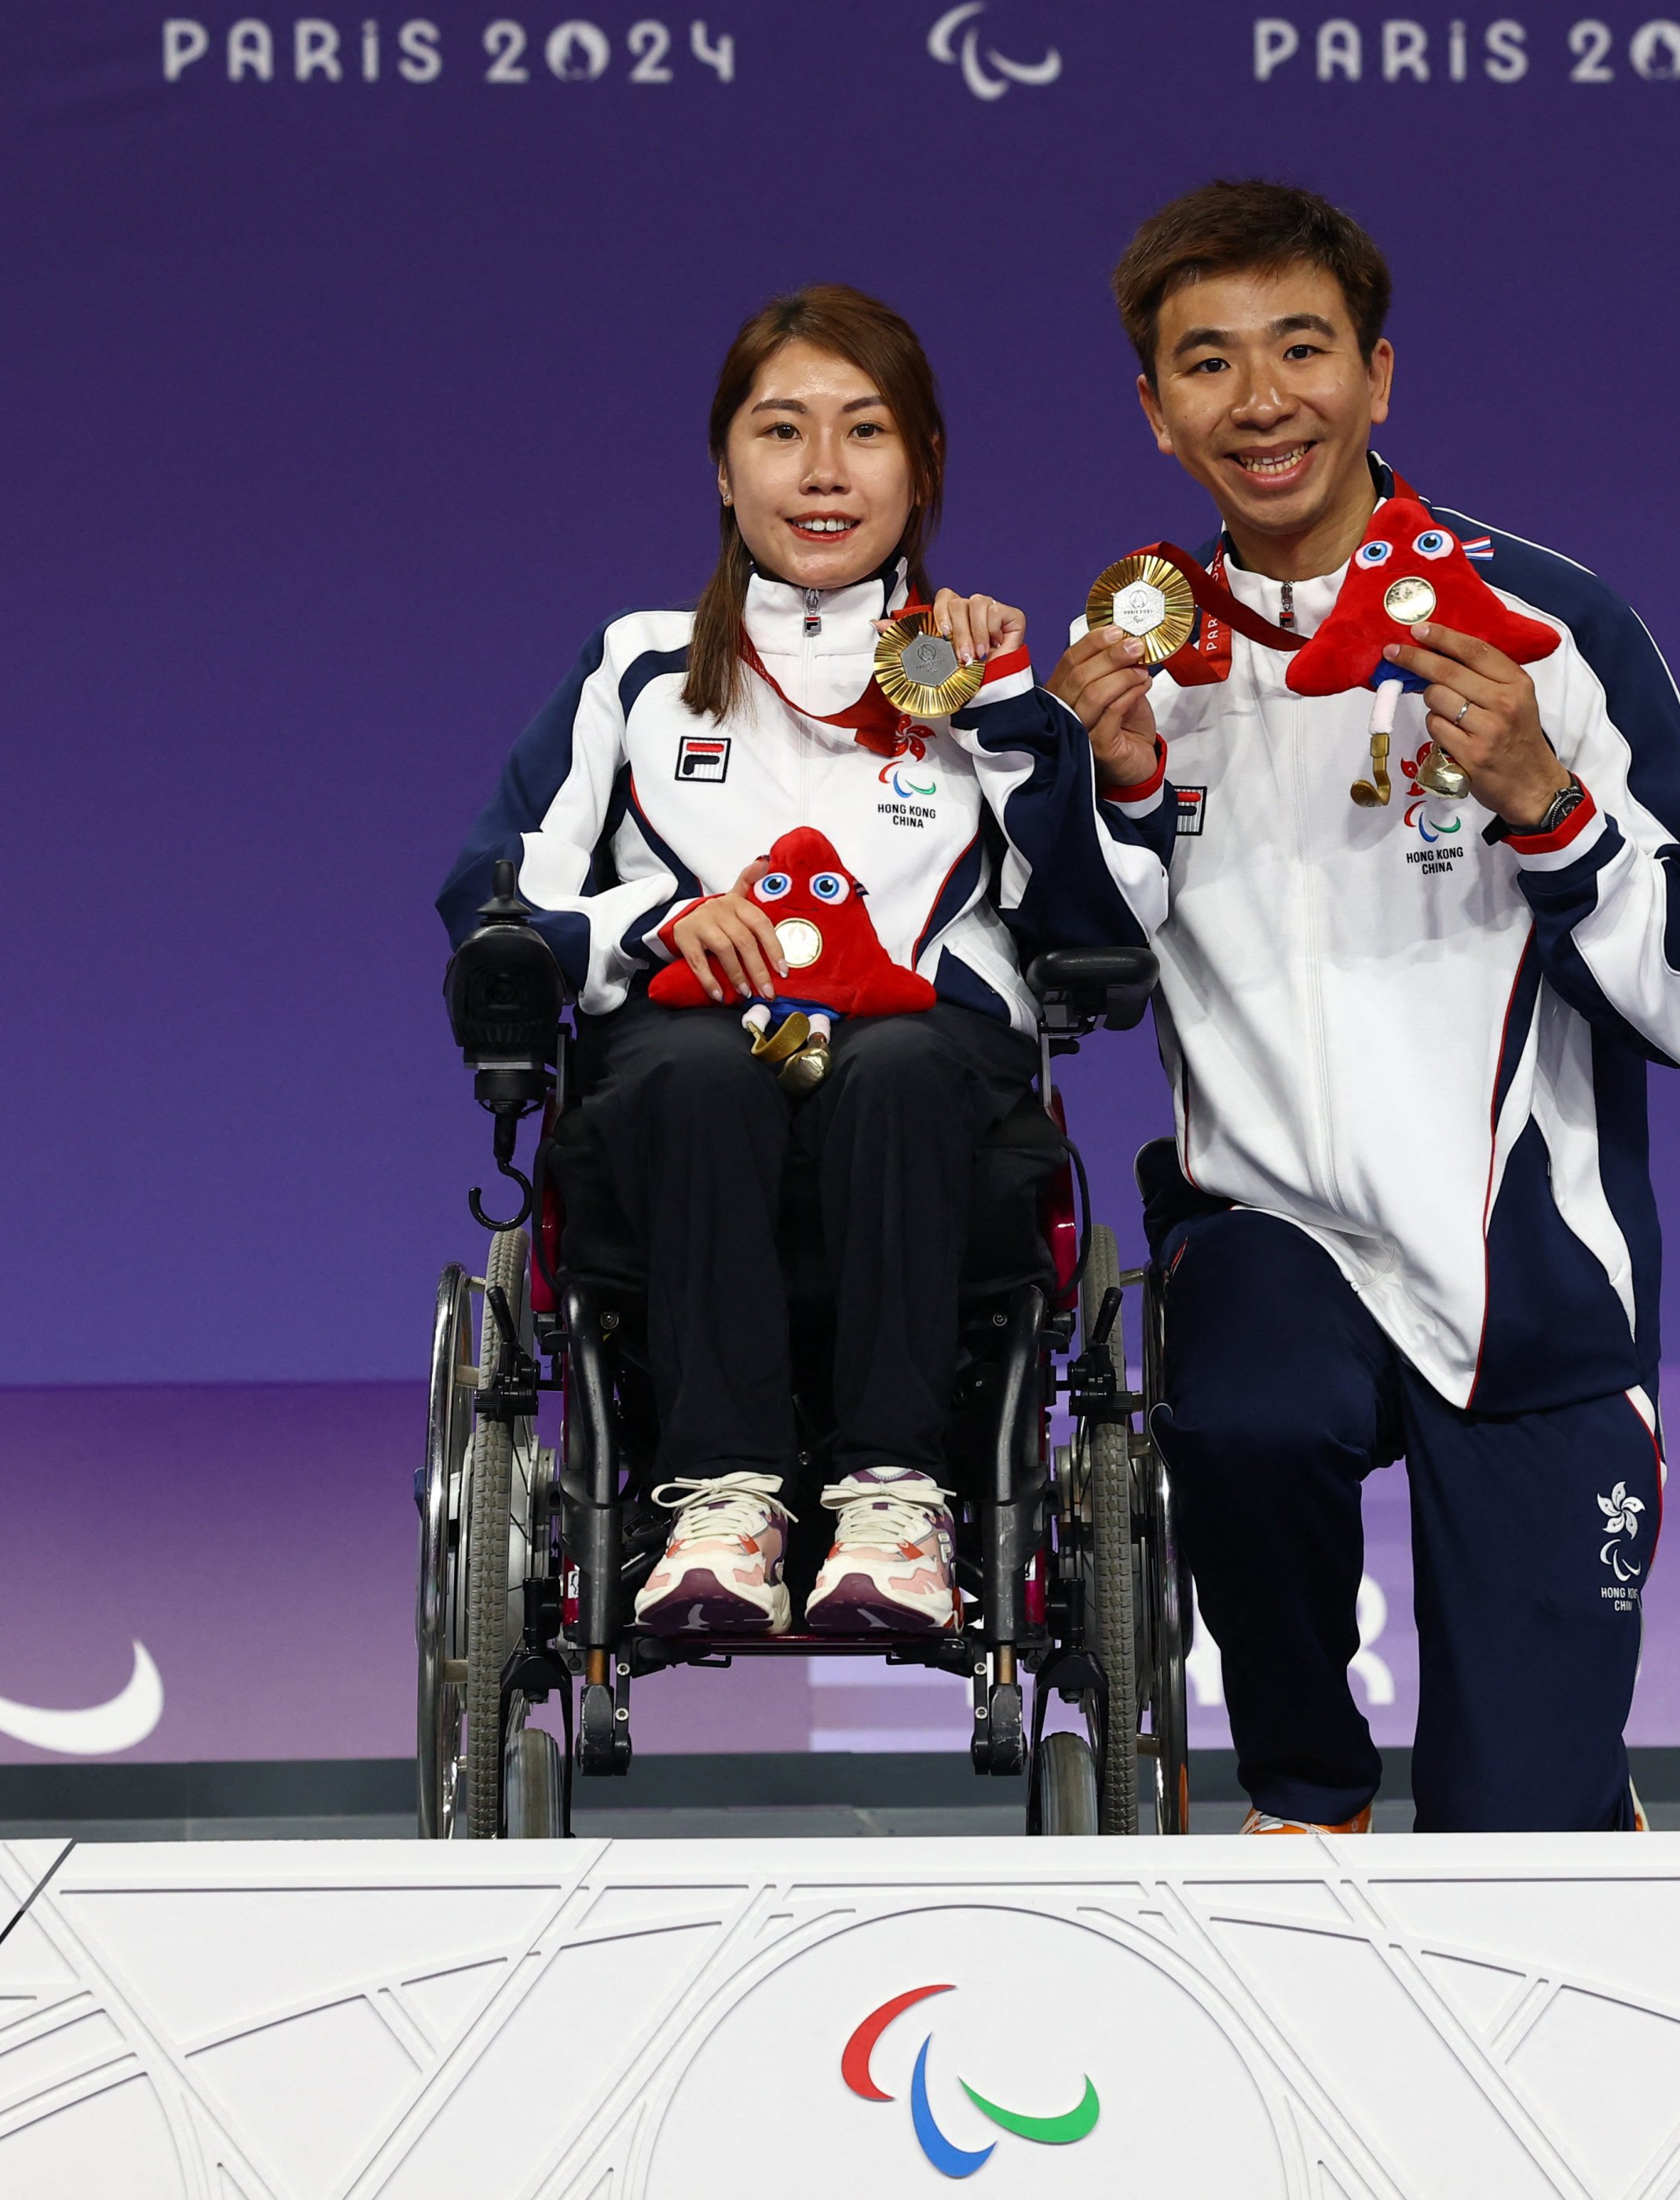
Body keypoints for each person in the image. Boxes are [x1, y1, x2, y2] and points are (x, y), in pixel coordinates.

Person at [1045, 183, 1680, 1832]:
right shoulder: (1128, 661)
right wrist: (1130, 783)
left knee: (1528, 1845)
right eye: (1206, 364)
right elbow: (1072, 975)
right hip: (1272, 1229)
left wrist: (1538, 798)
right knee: (1240, 1414)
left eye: (1300, 348)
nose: (1261, 399)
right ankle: (1304, 1785)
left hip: (1529, 1286)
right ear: (1156, 416)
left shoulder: (1546, 629)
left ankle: (1560, 1786)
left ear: (1377, 373)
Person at [437, 286, 1170, 1638]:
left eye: (865, 431)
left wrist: (1014, 714)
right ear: (725, 469)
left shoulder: (980, 679)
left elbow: (1098, 923)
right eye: (782, 432)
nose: (823, 472)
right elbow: (494, 897)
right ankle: (721, 1501)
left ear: (924, 466)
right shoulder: (636, 671)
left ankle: (895, 1503)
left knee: (890, 1068)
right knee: (703, 1070)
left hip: (927, 1084)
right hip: (684, 1076)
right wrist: (654, 929)